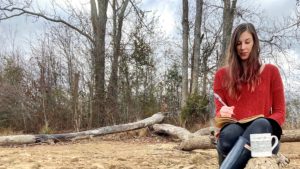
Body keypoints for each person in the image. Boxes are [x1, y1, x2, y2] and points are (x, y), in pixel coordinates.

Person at [213, 23, 286, 169]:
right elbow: (219, 110)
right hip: (234, 132)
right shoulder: (221, 75)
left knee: (260, 124)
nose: (243, 47)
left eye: (247, 42)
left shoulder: (271, 72)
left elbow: (280, 112)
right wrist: (222, 113)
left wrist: (264, 125)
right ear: (234, 46)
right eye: (238, 43)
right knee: (227, 138)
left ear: (254, 42)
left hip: (264, 134)